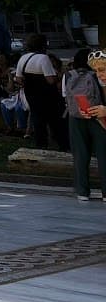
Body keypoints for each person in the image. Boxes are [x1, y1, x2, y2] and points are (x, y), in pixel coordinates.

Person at [64, 49, 106, 201]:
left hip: (77, 117)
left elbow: (65, 96)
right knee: (102, 155)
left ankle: (82, 191)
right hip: (96, 116)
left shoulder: (68, 75)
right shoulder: (98, 77)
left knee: (82, 155)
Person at [14, 33, 65, 150]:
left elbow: (18, 78)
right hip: (47, 95)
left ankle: (41, 145)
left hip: (31, 94)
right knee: (55, 120)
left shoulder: (23, 58)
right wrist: (58, 76)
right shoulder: (43, 58)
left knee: (38, 120)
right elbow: (50, 80)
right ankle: (62, 144)